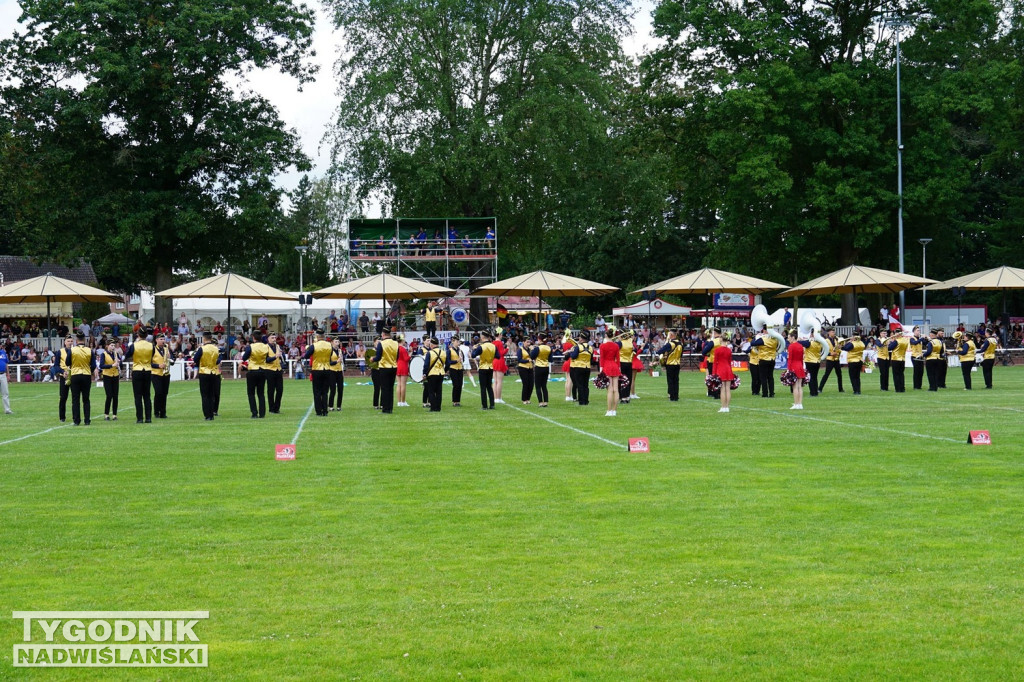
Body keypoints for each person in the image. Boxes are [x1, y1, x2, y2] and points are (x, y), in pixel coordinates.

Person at [125, 327, 155, 423]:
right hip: (147, 370)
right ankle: (148, 417)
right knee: (147, 395)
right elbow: (153, 355)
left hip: (137, 370)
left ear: (138, 335)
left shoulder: (134, 345)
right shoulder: (151, 345)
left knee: (138, 395)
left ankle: (139, 418)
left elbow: (127, 355)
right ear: (146, 335)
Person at [68, 331, 97, 425]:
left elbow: (67, 363)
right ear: (84, 340)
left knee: (75, 399)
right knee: (86, 399)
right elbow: (93, 365)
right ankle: (87, 420)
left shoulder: (72, 350)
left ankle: (76, 420)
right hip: (86, 375)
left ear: (76, 340)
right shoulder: (89, 350)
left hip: (75, 375)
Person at [242, 334, 274, 418]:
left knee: (251, 393)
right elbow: (267, 359)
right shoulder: (265, 347)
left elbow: (244, 357)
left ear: (254, 338)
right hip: (263, 370)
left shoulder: (251, 346)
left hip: (253, 370)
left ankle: (254, 413)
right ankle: (262, 413)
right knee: (261, 393)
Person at [304, 331, 334, 417]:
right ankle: (325, 410)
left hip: (317, 369)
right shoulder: (329, 345)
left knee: (317, 391)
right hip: (327, 369)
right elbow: (331, 355)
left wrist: (308, 349)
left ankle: (318, 411)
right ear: (323, 336)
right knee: (325, 391)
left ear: (317, 336)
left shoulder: (314, 345)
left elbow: (306, 356)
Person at [194, 332, 222, 420]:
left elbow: (195, 359)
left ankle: (207, 415)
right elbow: (218, 360)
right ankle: (212, 413)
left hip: (204, 372)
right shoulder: (216, 348)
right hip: (214, 372)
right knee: (211, 394)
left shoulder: (202, 348)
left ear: (204, 338)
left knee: (205, 395)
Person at [372, 328, 399, 413]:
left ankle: (385, 408)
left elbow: (378, 357)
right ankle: (390, 408)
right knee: (391, 388)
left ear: (383, 334)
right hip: (393, 367)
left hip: (384, 367)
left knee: (384, 388)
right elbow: (397, 356)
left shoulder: (382, 343)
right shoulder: (396, 343)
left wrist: (373, 359)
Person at [567, 330, 593, 406]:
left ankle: (581, 401)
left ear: (581, 338)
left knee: (579, 384)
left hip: (578, 367)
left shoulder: (578, 347)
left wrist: (571, 352)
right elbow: (591, 359)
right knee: (586, 385)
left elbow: (573, 356)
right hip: (587, 367)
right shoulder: (591, 347)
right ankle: (586, 400)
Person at [472, 330, 496, 409]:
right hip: (490, 367)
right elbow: (498, 356)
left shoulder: (481, 347)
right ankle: (492, 404)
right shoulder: (493, 346)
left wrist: (474, 348)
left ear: (482, 337)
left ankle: (484, 405)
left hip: (483, 367)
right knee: (489, 386)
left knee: (483, 387)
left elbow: (473, 355)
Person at [599, 329, 621, 416]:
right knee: (616, 389)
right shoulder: (616, 346)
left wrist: (601, 369)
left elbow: (602, 358)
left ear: (605, 335)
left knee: (610, 390)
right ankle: (614, 410)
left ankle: (609, 410)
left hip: (607, 366)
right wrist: (619, 368)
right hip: (615, 366)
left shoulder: (602, 346)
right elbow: (618, 358)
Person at [152, 334, 174, 418]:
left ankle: (163, 412)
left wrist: (170, 358)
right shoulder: (153, 350)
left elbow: (172, 361)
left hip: (166, 374)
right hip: (156, 374)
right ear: (156, 340)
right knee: (158, 392)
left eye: (163, 339)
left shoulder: (166, 349)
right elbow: (149, 363)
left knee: (164, 393)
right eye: (161, 339)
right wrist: (158, 366)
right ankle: (156, 412)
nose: (163, 341)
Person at [657, 330, 683, 401]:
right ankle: (676, 396)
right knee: (676, 380)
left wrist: (667, 341)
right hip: (677, 364)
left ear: (671, 335)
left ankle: (672, 396)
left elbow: (660, 351)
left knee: (670, 380)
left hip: (670, 364)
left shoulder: (670, 344)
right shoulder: (680, 343)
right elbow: (681, 355)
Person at [787, 330, 808, 409]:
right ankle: (800, 404)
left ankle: (796, 404)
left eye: (789, 338)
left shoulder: (791, 346)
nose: (788, 340)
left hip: (794, 366)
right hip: (800, 366)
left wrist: (789, 369)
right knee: (800, 386)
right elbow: (801, 358)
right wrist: (802, 367)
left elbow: (790, 359)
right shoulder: (800, 346)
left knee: (795, 387)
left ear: (793, 337)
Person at [817, 328, 843, 394]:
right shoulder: (826, 340)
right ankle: (820, 388)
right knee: (826, 374)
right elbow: (823, 350)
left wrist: (839, 350)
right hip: (830, 360)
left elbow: (838, 350)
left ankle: (841, 388)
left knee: (839, 375)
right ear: (828, 333)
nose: (833, 333)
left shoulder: (836, 340)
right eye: (832, 332)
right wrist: (830, 354)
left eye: (834, 332)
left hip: (836, 359)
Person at [711, 339, 735, 413]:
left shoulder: (717, 350)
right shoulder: (729, 350)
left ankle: (723, 407)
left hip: (720, 370)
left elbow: (715, 362)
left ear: (721, 341)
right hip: (728, 369)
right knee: (727, 389)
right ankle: (727, 407)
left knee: (722, 389)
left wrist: (713, 373)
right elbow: (729, 361)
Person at [530, 333, 551, 407]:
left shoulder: (537, 348)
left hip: (539, 367)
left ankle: (540, 402)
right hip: (546, 367)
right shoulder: (549, 348)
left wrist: (532, 350)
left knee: (538, 385)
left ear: (539, 339)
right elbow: (550, 359)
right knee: (544, 385)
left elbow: (532, 356)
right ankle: (546, 401)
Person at [423, 337, 445, 411]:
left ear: (432, 344)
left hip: (432, 373)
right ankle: (438, 407)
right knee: (439, 391)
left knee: (431, 391)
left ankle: (433, 408)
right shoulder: (443, 352)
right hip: (441, 373)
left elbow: (426, 365)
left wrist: (424, 374)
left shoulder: (430, 353)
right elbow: (447, 363)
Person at [56, 335, 73, 422]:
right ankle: (62, 417)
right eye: (68, 341)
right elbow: (56, 365)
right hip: (64, 376)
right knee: (63, 397)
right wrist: (62, 372)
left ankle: (75, 416)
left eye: (71, 341)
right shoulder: (60, 352)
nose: (70, 343)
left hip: (74, 375)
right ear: (65, 342)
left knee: (75, 397)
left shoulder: (75, 351)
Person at [266, 334, 285, 413]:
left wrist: (282, 357)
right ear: (268, 339)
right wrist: (275, 356)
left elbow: (282, 357)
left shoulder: (278, 347)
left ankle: (277, 408)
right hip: (270, 370)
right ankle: (271, 408)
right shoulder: (265, 347)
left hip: (278, 370)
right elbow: (266, 360)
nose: (274, 339)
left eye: (275, 338)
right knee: (271, 390)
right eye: (272, 338)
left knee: (280, 390)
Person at [887, 328, 910, 393]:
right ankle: (902, 388)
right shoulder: (905, 340)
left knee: (896, 374)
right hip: (902, 359)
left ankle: (898, 389)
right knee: (901, 374)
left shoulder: (896, 341)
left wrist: (890, 341)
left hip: (896, 359)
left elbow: (889, 348)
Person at [445, 336, 464, 407]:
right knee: (455, 385)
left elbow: (463, 359)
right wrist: (456, 361)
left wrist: (462, 359)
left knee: (460, 385)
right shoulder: (449, 350)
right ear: (453, 342)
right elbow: (448, 361)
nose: (458, 343)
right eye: (457, 341)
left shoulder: (460, 350)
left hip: (460, 368)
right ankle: (454, 401)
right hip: (453, 369)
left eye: (458, 341)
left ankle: (458, 400)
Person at [328, 337, 344, 411]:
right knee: (333, 390)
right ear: (332, 342)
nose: (337, 343)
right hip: (332, 371)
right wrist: (336, 361)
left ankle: (339, 406)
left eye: (338, 342)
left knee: (340, 389)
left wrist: (342, 359)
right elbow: (329, 363)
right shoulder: (330, 351)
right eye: (336, 341)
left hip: (339, 371)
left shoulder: (340, 350)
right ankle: (330, 406)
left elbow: (343, 361)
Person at [492, 331, 508, 404]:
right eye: (501, 334)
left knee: (495, 381)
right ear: (499, 335)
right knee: (499, 381)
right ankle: (498, 398)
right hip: (499, 361)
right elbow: (501, 353)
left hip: (494, 361)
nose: (502, 336)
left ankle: (495, 398)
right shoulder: (499, 343)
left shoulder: (493, 342)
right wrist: (507, 348)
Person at [517, 337, 535, 405]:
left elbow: (533, 357)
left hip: (530, 368)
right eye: (527, 342)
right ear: (523, 342)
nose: (528, 343)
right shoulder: (520, 350)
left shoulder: (530, 350)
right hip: (523, 368)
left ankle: (528, 398)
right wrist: (527, 360)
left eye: (529, 342)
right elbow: (519, 360)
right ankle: (524, 399)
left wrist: (533, 351)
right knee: (525, 384)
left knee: (531, 384)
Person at [396, 337, 411, 407]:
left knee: (398, 384)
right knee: (403, 384)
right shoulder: (402, 348)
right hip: (403, 366)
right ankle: (403, 401)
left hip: (397, 365)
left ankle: (399, 401)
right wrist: (410, 353)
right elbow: (406, 359)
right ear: (402, 341)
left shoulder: (396, 348)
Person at [0, 345, 11, 415]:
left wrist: (8, 374)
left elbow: (6, 364)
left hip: (3, 374)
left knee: (5, 393)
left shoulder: (3, 353)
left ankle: (7, 410)